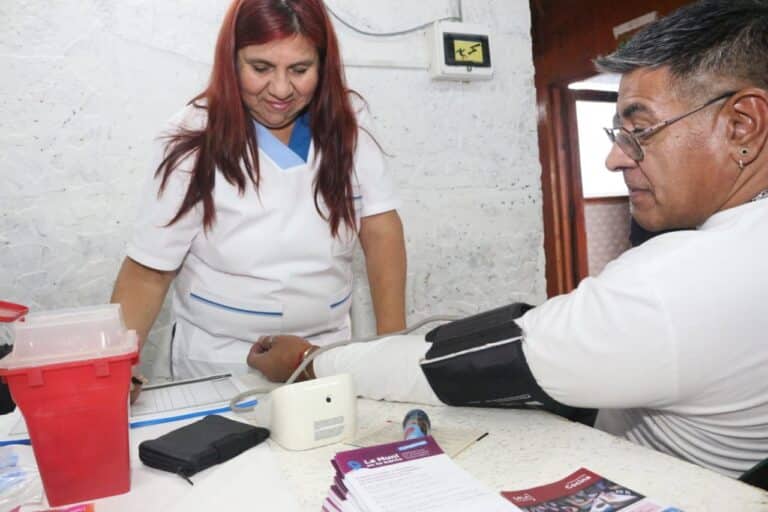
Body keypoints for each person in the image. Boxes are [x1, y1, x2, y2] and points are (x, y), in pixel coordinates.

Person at [247, 0, 768, 480]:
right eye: (617, 134)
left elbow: (455, 372)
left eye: (641, 130)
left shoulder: (679, 284)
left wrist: (309, 360)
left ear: (742, 124)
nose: (615, 157)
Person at [110, 0, 406, 381]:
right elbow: (148, 272)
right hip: (218, 362)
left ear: (323, 63)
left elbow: (381, 228)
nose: (281, 89)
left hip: (324, 354)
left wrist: (392, 349)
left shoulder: (347, 125)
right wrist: (116, 367)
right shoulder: (192, 138)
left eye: (300, 69)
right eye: (261, 68)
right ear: (232, 61)